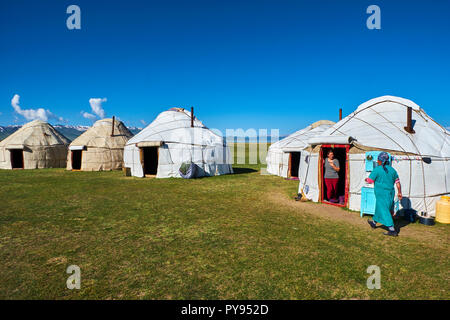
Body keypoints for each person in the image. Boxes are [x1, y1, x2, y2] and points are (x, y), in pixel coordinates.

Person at [365, 152, 403, 237]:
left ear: (380, 160)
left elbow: (370, 181)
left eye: (378, 160)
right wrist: (400, 192)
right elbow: (398, 183)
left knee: (384, 210)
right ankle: (374, 223)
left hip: (381, 194)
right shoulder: (393, 170)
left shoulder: (377, 169)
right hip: (390, 194)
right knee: (380, 208)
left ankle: (392, 230)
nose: (377, 161)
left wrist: (366, 179)